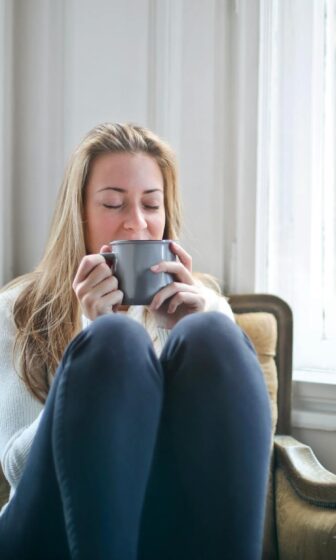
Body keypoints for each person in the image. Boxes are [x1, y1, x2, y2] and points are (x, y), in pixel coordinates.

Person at [0, 123, 272, 559]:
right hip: (46, 527)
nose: (137, 223)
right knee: (116, 339)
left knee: (213, 333)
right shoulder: (18, 309)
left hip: (165, 526)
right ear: (80, 213)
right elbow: (16, 467)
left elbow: (237, 453)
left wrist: (177, 329)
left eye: (151, 204)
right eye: (112, 203)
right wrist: (91, 336)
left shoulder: (204, 307)